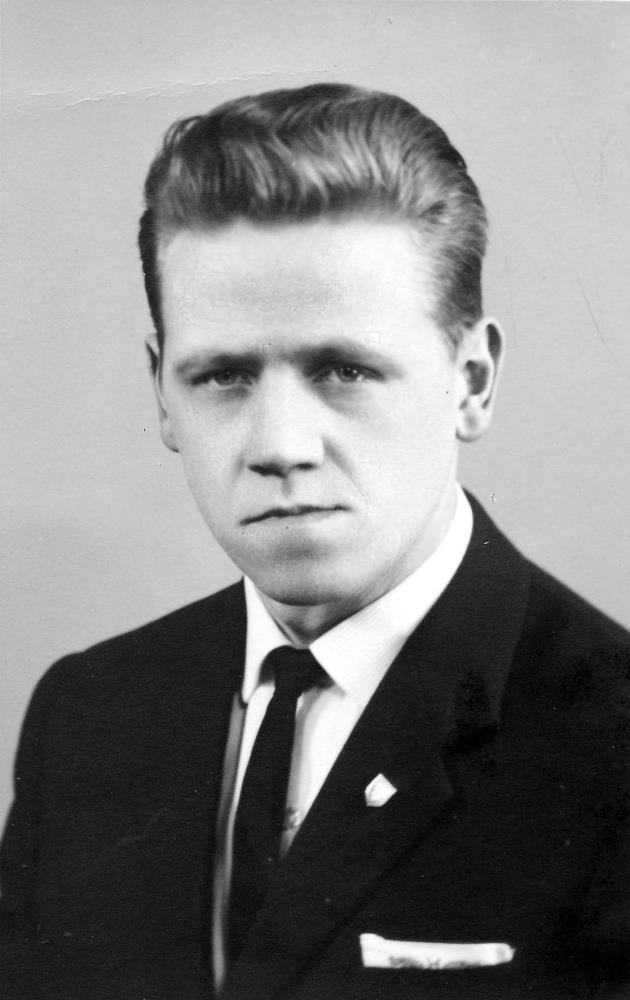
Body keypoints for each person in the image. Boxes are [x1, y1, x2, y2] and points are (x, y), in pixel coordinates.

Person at [1, 83, 628, 1000]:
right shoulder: (90, 718)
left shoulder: (612, 740)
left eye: (344, 369)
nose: (280, 445)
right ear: (161, 392)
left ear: (471, 380)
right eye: (222, 376)